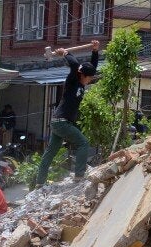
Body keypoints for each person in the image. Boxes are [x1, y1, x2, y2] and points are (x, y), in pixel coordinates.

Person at [36, 40, 100, 186]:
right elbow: (75, 65)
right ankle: (79, 176)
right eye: (89, 78)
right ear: (82, 75)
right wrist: (65, 53)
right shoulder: (73, 80)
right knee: (83, 143)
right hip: (61, 122)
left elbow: (92, 67)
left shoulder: (83, 78)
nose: (90, 81)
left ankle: (39, 184)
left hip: (59, 122)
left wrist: (95, 51)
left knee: (50, 153)